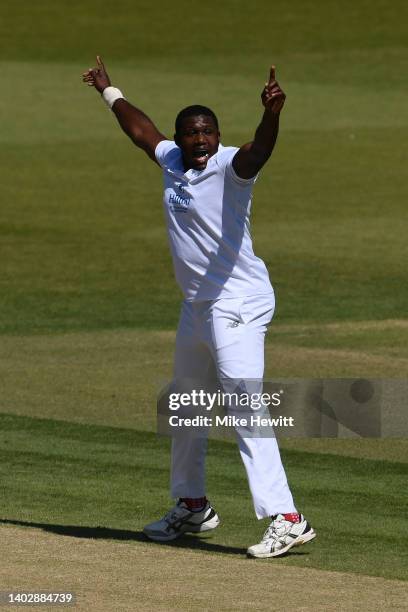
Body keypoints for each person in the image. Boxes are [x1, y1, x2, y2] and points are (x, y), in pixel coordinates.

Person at [82, 57, 316, 558]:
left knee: (244, 403)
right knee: (186, 405)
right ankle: (192, 505)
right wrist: (108, 90)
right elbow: (141, 131)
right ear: (181, 138)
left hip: (238, 301)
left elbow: (260, 151)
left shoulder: (230, 168)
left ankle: (288, 517)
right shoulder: (170, 161)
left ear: (217, 135)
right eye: (192, 133)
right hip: (197, 306)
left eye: (208, 132)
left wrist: (272, 114)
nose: (201, 140)